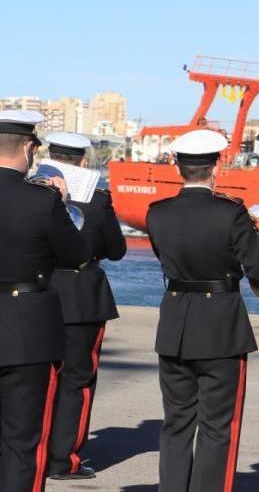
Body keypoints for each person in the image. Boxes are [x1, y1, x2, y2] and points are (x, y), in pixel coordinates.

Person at [145, 129, 259, 492]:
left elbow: (166, 260)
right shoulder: (231, 214)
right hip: (221, 327)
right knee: (218, 427)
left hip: (174, 324)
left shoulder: (156, 214)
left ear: (178, 168)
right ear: (215, 167)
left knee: (176, 422)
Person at [0, 111, 91, 492]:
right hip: (27, 331)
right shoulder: (42, 200)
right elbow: (78, 255)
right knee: (23, 443)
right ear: (28, 147)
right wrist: (66, 205)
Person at [42, 132, 124, 481]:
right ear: (81, 160)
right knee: (77, 381)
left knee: (36, 380)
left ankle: (31, 454)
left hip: (39, 292)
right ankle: (64, 461)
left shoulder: (31, 193)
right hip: (82, 298)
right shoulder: (99, 200)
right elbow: (117, 249)